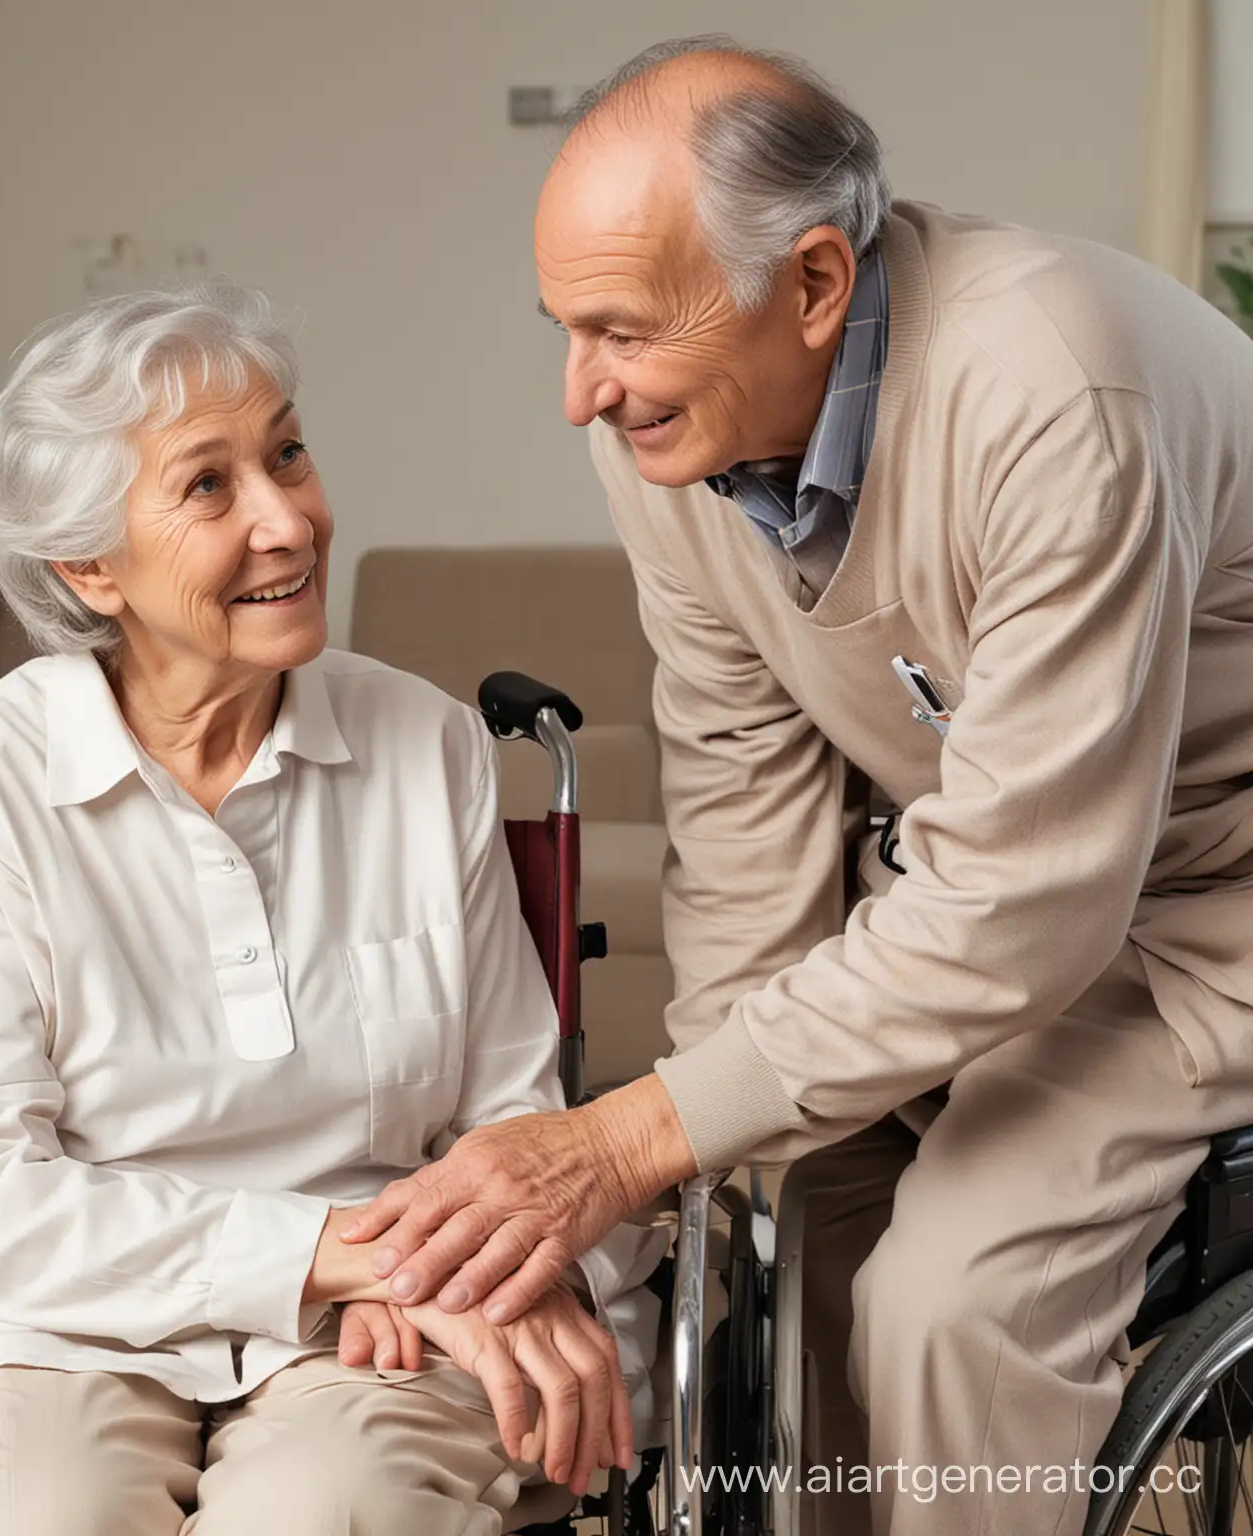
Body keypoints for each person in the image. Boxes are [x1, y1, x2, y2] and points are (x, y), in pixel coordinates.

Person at [343, 36, 1253, 1536]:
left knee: (951, 1298)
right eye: (565, 331)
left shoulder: (1052, 389)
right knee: (797, 1211)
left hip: (1201, 914)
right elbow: (742, 801)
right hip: (989, 890)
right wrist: (704, 1150)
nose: (581, 391)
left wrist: (626, 1136)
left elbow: (1030, 902)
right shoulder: (670, 437)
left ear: (817, 284)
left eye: (622, 330)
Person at [0, 279, 662, 1536]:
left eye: (290, 455)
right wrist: (334, 1256)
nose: (289, 520)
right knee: (51, 1512)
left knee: (329, 1511)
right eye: (210, 486)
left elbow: (507, 1113)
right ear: (90, 564)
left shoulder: (424, 745)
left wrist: (416, 1275)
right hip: (52, 1318)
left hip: (397, 1313)